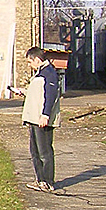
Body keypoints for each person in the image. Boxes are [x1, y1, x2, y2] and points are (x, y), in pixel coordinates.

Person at [21, 46, 61, 192]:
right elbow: (38, 93)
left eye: (30, 62)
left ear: (37, 60)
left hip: (41, 118)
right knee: (35, 151)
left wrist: (45, 114)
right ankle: (40, 179)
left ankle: (48, 181)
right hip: (34, 118)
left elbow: (50, 96)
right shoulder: (41, 73)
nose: (29, 65)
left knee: (44, 151)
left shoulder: (49, 73)